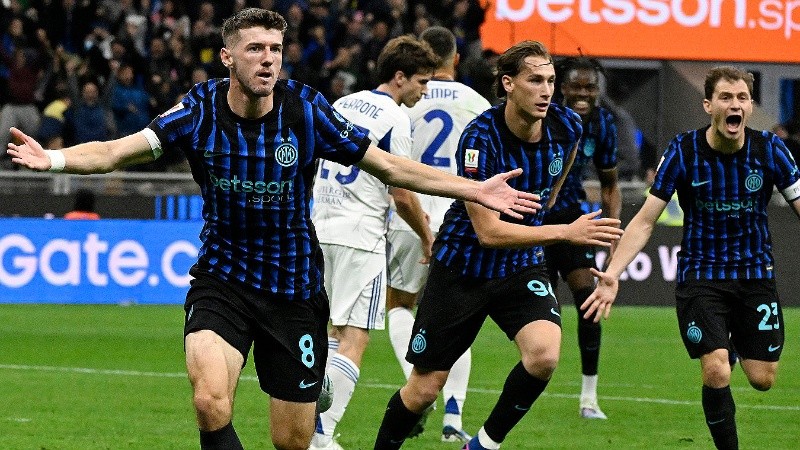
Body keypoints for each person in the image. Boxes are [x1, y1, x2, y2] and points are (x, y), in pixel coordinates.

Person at [6, 8, 539, 450]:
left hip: (293, 290)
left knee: (292, 441)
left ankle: (315, 385)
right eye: (255, 49)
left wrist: (473, 189)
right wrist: (53, 159)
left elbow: (391, 167)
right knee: (209, 401)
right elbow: (115, 152)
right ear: (228, 57)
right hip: (222, 280)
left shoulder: (305, 110)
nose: (268, 59)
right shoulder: (198, 109)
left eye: (276, 50)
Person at [372, 40, 623, 450]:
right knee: (423, 390)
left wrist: (547, 217)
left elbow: (551, 192)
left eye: (550, 81)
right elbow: (489, 232)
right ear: (508, 84)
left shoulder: (566, 126)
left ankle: (483, 445)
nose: (546, 90)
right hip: (463, 268)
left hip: (519, 266)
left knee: (543, 356)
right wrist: (563, 231)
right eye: (535, 80)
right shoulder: (480, 137)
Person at [583, 66, 798, 450]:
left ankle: (733, 348)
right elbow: (645, 221)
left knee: (763, 379)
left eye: (742, 98)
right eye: (726, 97)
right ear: (708, 105)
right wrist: (613, 272)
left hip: (754, 274)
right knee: (715, 370)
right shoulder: (683, 151)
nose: (735, 104)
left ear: (750, 106)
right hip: (701, 276)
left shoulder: (770, 149)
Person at [308, 35, 438, 450]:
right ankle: (320, 435)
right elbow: (401, 193)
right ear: (399, 77)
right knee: (356, 337)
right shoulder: (395, 118)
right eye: (421, 81)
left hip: (319, 227)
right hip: (360, 236)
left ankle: (314, 429)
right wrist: (426, 236)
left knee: (333, 330)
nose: (424, 91)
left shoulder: (342, 103)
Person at [384, 25, 491, 443]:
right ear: (456, 59)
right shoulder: (478, 103)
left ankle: (416, 392)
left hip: (410, 213)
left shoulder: (406, 99)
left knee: (398, 305)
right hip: (461, 216)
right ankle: (453, 412)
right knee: (458, 314)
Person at [543, 57, 621, 419]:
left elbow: (610, 185)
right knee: (540, 309)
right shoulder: (546, 117)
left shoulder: (603, 123)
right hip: (536, 223)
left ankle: (589, 399)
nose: (583, 94)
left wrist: (613, 231)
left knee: (589, 303)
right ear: (562, 88)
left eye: (590, 87)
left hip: (573, 222)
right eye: (576, 86)